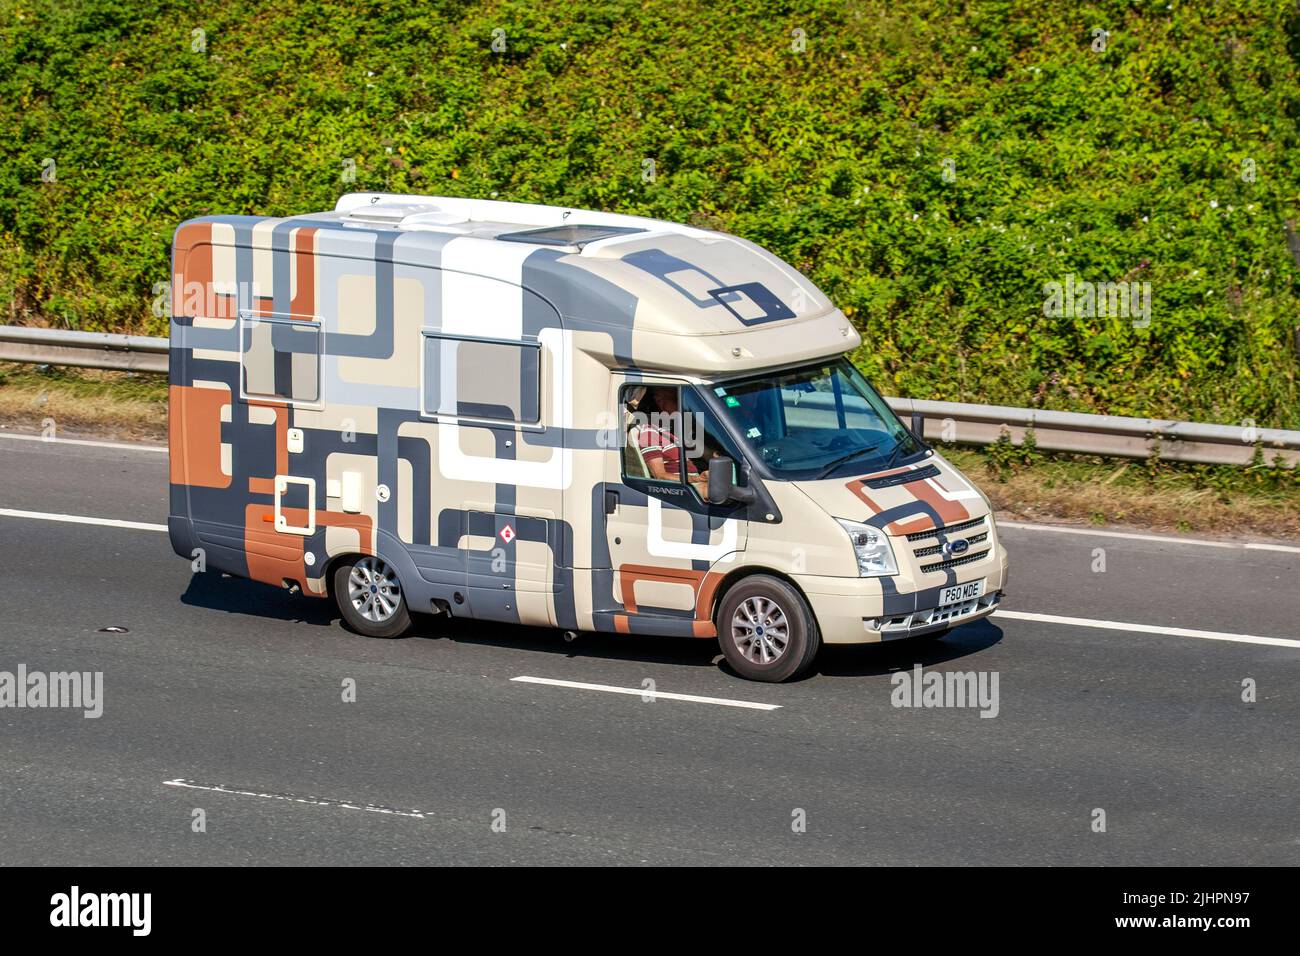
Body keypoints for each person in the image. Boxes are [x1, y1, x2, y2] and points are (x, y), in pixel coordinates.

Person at [635, 387, 709, 493]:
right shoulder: (650, 431)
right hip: (682, 489)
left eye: (671, 397)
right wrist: (697, 479)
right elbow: (660, 475)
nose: (663, 403)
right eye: (659, 399)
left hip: (698, 480)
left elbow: (707, 454)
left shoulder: (682, 427)